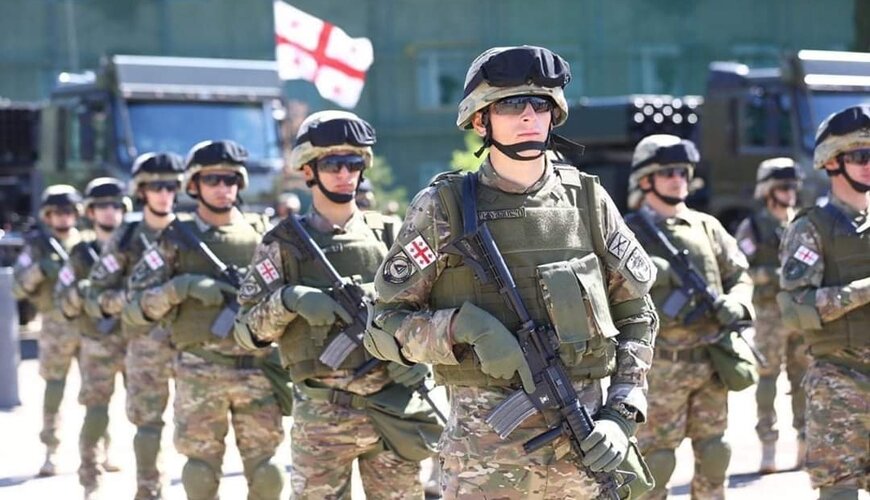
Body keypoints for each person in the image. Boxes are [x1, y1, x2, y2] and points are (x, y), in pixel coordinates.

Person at [365, 45, 658, 499]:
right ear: (480, 120)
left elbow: (638, 313)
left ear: (554, 114)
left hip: (585, 454)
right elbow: (384, 324)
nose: (527, 115)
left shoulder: (588, 201)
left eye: (540, 104)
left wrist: (621, 413)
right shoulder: (443, 209)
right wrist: (460, 328)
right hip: (482, 465)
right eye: (510, 104)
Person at [235, 110, 441, 499]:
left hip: (392, 407)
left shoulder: (390, 235)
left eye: (354, 163)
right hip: (322, 418)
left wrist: (413, 357)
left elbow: (428, 311)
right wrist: (289, 300)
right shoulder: (283, 244)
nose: (346, 174)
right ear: (308, 170)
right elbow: (246, 331)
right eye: (333, 164)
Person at [123, 140, 284, 500]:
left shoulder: (264, 235)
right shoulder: (175, 239)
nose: (223, 188)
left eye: (230, 179)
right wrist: (182, 287)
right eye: (213, 180)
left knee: (267, 475)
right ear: (194, 185)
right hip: (200, 371)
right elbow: (135, 306)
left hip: (257, 371)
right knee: (200, 474)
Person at [624, 134, 755, 500]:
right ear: (645, 180)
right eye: (667, 172)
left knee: (715, 453)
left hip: (710, 363)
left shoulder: (706, 226)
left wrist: (737, 303)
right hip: (660, 369)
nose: (677, 179)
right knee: (656, 462)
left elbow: (739, 275)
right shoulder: (628, 232)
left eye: (683, 171)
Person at [776, 104, 869, 500]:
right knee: (839, 494)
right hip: (839, 380)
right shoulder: (809, 228)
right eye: (860, 156)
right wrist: (863, 291)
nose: (869, 164)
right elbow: (797, 309)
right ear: (832, 161)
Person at [84, 153, 184, 499]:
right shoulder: (126, 237)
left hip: (191, 344)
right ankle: (148, 491)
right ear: (142, 191)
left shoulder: (188, 232)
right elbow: (95, 296)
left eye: (170, 186)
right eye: (156, 187)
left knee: (198, 430)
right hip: (145, 345)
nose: (164, 194)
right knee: (148, 426)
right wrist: (134, 300)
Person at [54, 177, 128, 498]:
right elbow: (62, 300)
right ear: (91, 212)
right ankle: (90, 480)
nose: (110, 211)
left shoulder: (135, 247)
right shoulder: (81, 253)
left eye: (115, 205)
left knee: (148, 416)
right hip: (97, 342)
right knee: (96, 411)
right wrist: (83, 294)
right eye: (102, 206)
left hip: (136, 341)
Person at [734, 157, 808, 473]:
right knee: (767, 378)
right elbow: (739, 270)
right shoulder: (753, 227)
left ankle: (804, 442)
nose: (790, 192)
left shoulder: (802, 223)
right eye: (783, 187)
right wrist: (775, 275)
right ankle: (768, 444)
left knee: (803, 378)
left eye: (793, 187)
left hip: (801, 314)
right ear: (768, 191)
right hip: (769, 315)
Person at [12, 185, 84, 477]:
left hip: (88, 325)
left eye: (68, 211)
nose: (63, 217)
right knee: (54, 389)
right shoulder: (38, 247)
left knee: (97, 391)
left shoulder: (85, 244)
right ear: (47, 215)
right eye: (57, 212)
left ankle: (99, 449)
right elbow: (17, 287)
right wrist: (40, 270)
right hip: (55, 327)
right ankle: (51, 449)